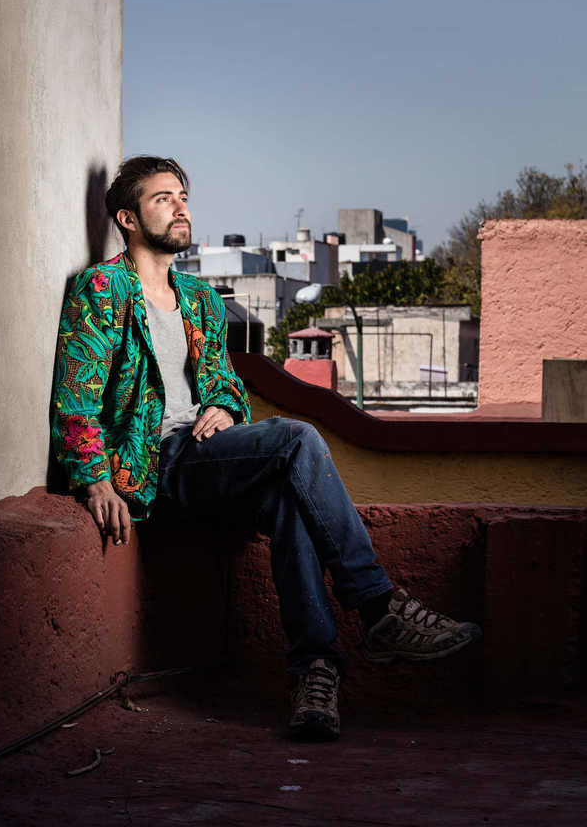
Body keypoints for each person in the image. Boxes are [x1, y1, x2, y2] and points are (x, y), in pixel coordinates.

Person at [51, 155, 481, 741]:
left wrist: (224, 407)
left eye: (183, 195)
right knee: (297, 437)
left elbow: (226, 383)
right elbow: (76, 399)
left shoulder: (200, 297)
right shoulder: (101, 290)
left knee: (287, 497)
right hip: (151, 466)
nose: (181, 206)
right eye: (162, 198)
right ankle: (378, 608)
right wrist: (95, 480)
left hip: (205, 459)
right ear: (127, 217)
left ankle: (315, 673)